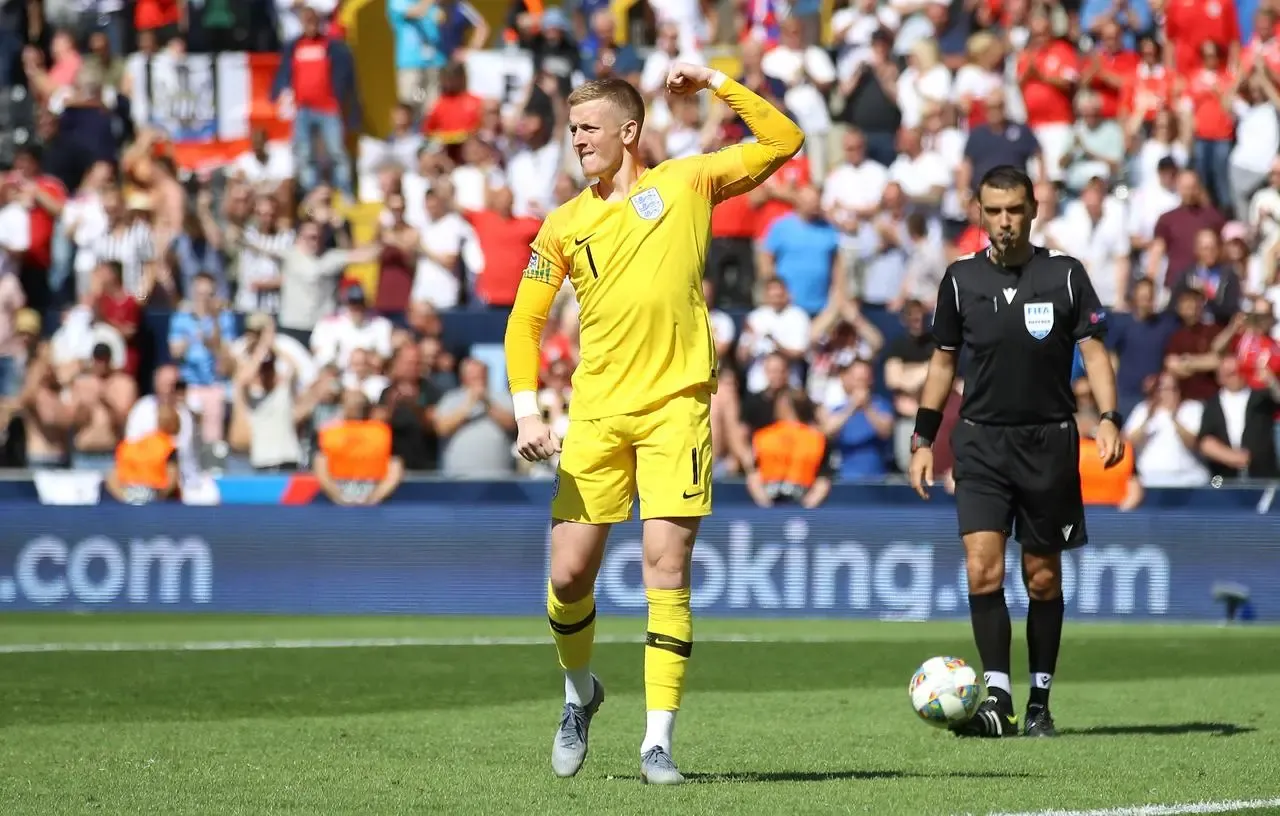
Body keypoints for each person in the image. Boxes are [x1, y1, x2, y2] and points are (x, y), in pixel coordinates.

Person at [503, 62, 804, 784]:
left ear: (628, 132)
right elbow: (524, 324)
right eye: (572, 128)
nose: (576, 140)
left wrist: (716, 81)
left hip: (678, 405)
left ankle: (657, 743)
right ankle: (580, 696)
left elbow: (784, 138)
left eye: (587, 128)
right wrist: (527, 409)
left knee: (666, 568)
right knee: (570, 575)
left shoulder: (688, 180)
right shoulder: (565, 225)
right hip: (598, 412)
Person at [907, 165, 1125, 739]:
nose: (1005, 221)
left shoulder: (1066, 276)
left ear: (1033, 211)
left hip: (1048, 442)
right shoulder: (959, 280)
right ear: (978, 212)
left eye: (1015, 210)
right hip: (978, 443)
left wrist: (1107, 418)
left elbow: (1096, 353)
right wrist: (923, 437)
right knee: (982, 570)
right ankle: (998, 697)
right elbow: (942, 363)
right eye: (994, 210)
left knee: (1042, 578)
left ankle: (1040, 703)